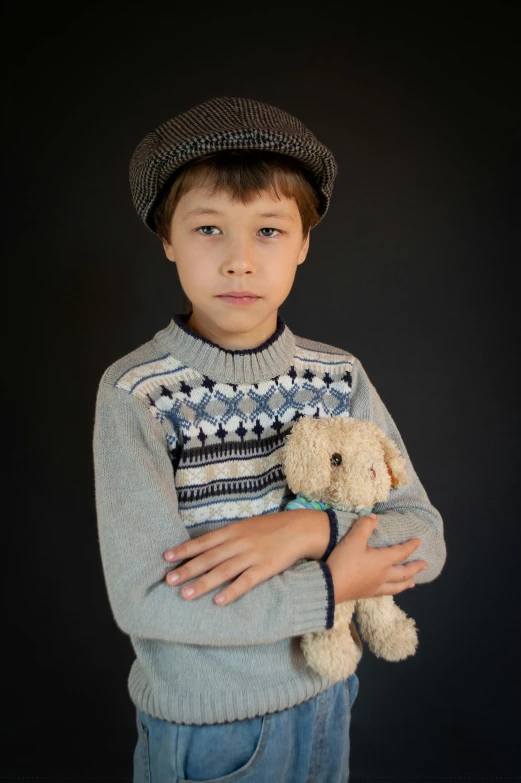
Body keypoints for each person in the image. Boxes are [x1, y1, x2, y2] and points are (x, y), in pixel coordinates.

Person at [92, 96, 447, 783]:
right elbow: (142, 597)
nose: (239, 262)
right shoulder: (137, 392)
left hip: (327, 702)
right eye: (207, 229)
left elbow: (422, 537)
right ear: (167, 238)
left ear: (304, 243)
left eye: (268, 232)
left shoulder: (338, 375)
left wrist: (311, 529)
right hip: (208, 731)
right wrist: (328, 585)